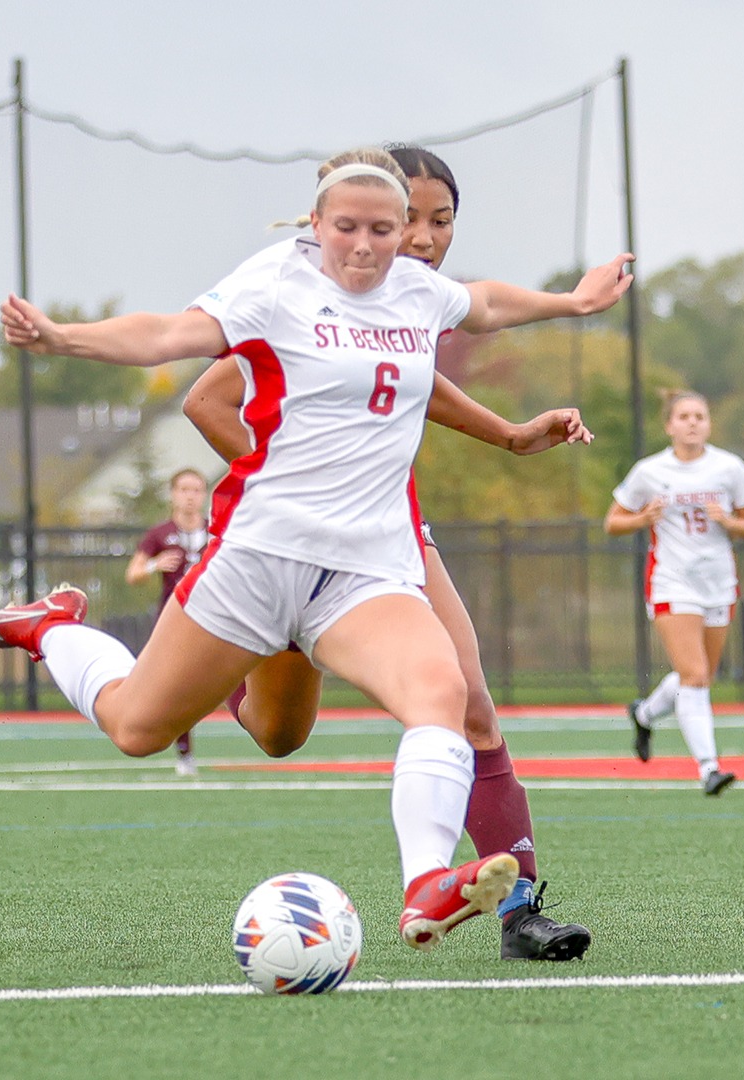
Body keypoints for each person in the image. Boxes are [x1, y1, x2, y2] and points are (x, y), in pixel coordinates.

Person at [0, 146, 634, 951]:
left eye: (386, 229)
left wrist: (574, 302)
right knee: (144, 728)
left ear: (403, 232)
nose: (366, 246)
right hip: (259, 561)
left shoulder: (417, 293)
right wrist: (62, 338)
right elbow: (167, 334)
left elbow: (489, 303)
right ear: (318, 225)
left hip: (366, 570)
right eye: (347, 228)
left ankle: (428, 882)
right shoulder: (274, 283)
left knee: (441, 693)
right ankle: (50, 625)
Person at [179, 146, 593, 961]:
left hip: (390, 533)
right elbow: (206, 398)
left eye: (442, 221)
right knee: (276, 734)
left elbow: (417, 385)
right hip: (294, 544)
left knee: (472, 701)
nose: (429, 237)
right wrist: (288, 494)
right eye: (416, 218)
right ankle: (216, 664)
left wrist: (510, 435)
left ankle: (517, 912)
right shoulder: (307, 297)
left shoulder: (410, 301)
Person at [607, 391, 744, 795]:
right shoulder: (650, 470)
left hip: (719, 581)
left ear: (708, 423)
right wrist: (643, 517)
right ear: (669, 425)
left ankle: (644, 713)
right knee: (694, 676)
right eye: (684, 416)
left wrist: (729, 521)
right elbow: (613, 522)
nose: (692, 422)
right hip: (672, 581)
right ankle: (709, 768)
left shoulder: (729, 467)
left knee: (699, 676)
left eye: (700, 415)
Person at [125, 468, 212, 774]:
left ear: (204, 495)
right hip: (172, 623)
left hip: (215, 620)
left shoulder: (217, 530)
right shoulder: (160, 534)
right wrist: (154, 564)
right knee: (176, 686)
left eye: (196, 490)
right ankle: (185, 753)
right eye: (184, 489)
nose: (190, 496)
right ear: (174, 494)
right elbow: (132, 574)